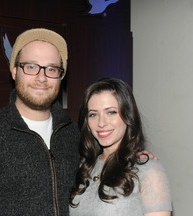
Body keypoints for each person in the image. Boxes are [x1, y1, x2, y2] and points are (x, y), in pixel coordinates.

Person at [0, 28, 80, 216]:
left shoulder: (74, 134)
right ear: (14, 71)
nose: (42, 77)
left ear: (60, 76)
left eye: (52, 69)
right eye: (31, 66)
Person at [69, 78, 172, 216]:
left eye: (111, 112)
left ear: (127, 115)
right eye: (93, 114)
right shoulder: (83, 166)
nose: (101, 122)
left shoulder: (149, 170)